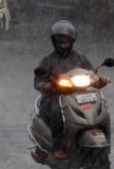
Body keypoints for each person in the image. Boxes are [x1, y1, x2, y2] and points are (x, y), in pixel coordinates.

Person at [33, 21, 108, 159]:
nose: (64, 45)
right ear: (55, 42)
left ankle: (103, 137)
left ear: (72, 41)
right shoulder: (48, 61)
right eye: (61, 43)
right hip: (56, 96)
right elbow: (38, 81)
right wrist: (46, 85)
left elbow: (91, 73)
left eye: (66, 42)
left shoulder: (79, 57)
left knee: (101, 103)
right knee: (56, 110)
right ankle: (58, 147)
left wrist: (100, 80)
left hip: (79, 94)